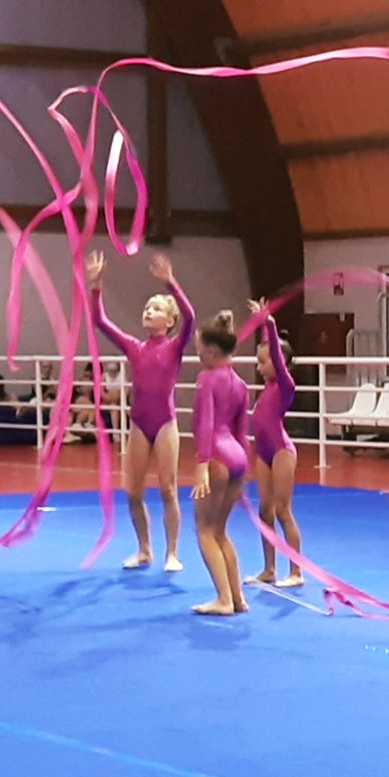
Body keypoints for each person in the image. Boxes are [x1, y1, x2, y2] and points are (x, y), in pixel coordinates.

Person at [88, 251, 193, 572]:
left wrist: (172, 283)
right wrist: (96, 285)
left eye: (156, 309)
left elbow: (190, 317)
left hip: (164, 423)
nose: (149, 311)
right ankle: (144, 549)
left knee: (168, 489)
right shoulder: (134, 347)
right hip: (139, 424)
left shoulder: (174, 346)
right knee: (132, 492)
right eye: (147, 307)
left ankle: (172, 553)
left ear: (169, 322)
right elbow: (100, 322)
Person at [188, 310, 251, 616]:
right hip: (237, 456)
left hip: (216, 455)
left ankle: (223, 599)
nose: (197, 353)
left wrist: (202, 465)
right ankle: (237, 598)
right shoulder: (240, 384)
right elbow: (242, 432)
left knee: (204, 530)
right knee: (220, 531)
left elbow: (206, 424)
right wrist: (244, 474)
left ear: (212, 351)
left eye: (199, 348)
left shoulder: (206, 379)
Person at [247, 302, 302, 589]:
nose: (259, 367)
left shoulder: (285, 385)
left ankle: (296, 571)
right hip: (263, 453)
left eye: (263, 362)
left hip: (281, 451)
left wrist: (268, 323)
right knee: (264, 512)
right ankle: (269, 568)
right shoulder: (267, 389)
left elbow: (278, 360)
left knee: (283, 511)